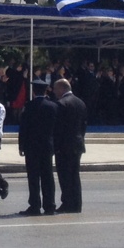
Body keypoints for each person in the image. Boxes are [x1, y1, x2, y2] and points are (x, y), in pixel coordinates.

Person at [18, 82, 58, 217]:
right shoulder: (53, 106)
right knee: (48, 176)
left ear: (34, 91)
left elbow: (23, 127)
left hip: (32, 146)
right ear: (46, 91)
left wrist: (21, 145)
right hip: (47, 146)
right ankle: (50, 205)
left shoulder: (29, 106)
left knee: (33, 177)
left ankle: (35, 205)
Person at [51, 77, 87, 214]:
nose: (54, 92)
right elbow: (84, 125)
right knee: (74, 175)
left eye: (55, 89)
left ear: (61, 88)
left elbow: (58, 128)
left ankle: (67, 203)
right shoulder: (80, 102)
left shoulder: (61, 104)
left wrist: (56, 145)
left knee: (65, 175)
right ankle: (76, 204)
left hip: (64, 146)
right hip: (77, 143)